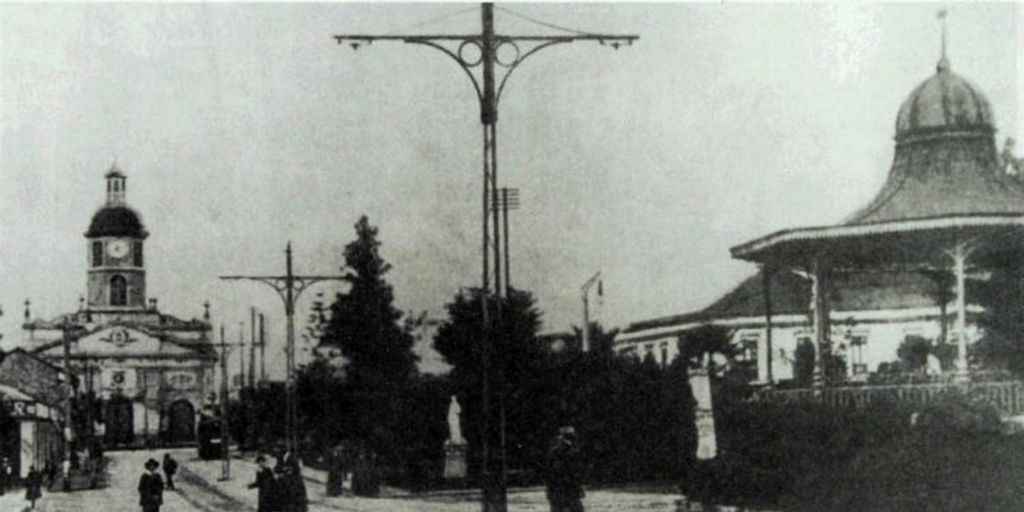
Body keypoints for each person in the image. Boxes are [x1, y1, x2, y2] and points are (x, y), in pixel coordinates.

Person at [545, 426, 585, 512]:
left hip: (558, 487)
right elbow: (567, 469)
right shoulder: (565, 449)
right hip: (565, 486)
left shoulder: (556, 447)